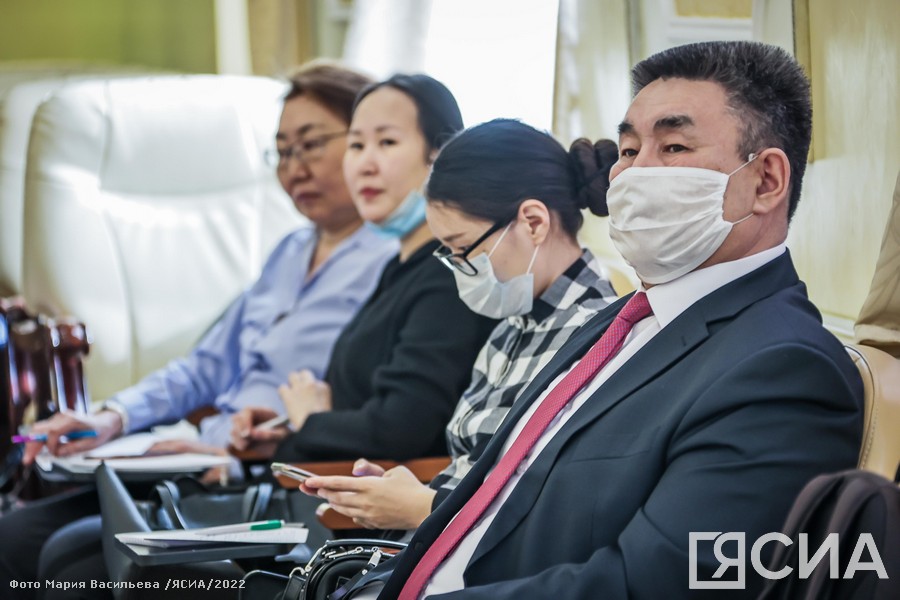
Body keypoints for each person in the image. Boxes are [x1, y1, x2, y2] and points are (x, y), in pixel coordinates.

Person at [349, 41, 865, 600]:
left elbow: (657, 585)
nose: (632, 175)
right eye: (628, 149)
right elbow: (503, 500)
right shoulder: (617, 322)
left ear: (765, 181)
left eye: (673, 146)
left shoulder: (783, 368)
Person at [0, 61, 397, 599]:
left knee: (70, 563)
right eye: (281, 152)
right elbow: (205, 367)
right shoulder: (289, 251)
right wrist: (113, 417)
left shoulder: (392, 262)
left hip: (265, 477)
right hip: (195, 459)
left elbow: (358, 402)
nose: (293, 169)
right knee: (13, 538)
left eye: (309, 145)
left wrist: (250, 448)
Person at [298, 118, 619, 532]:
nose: (459, 269)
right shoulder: (513, 327)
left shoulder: (598, 338)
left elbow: (552, 511)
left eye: (463, 248)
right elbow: (474, 473)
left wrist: (423, 506)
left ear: (533, 223)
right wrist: (405, 493)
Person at [231, 74, 496, 465]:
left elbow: (402, 428)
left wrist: (311, 423)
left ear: (440, 154)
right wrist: (285, 438)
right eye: (356, 145)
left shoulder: (449, 273)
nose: (365, 165)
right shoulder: (399, 268)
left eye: (387, 142)